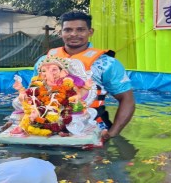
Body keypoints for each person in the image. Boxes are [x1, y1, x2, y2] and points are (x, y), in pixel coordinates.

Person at [35, 10, 136, 141]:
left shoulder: (106, 63)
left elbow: (127, 99)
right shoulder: (44, 61)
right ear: (61, 33)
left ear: (90, 32)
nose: (74, 34)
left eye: (80, 30)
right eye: (68, 30)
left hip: (93, 129)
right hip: (48, 128)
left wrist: (112, 133)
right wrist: (19, 122)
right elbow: (33, 95)